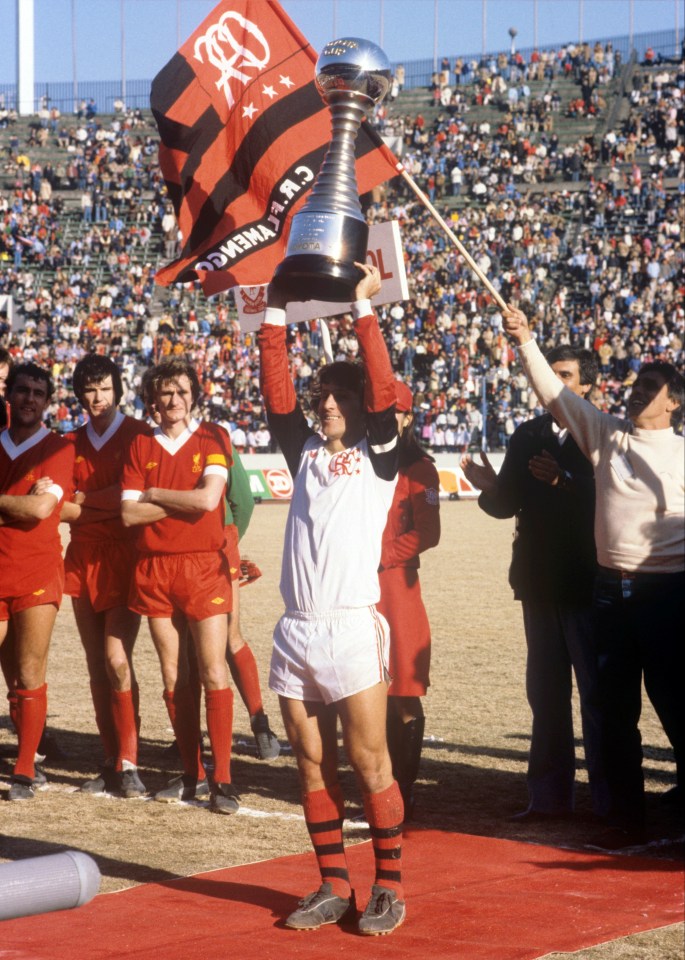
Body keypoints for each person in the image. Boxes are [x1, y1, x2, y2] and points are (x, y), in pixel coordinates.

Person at [259, 263, 406, 936]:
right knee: (310, 763)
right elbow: (275, 396)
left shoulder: (381, 457)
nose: (325, 406)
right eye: (323, 397)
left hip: (349, 627)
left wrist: (359, 305)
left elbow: (380, 389)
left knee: (368, 758)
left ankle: (388, 889)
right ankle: (330, 884)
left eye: (337, 397)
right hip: (296, 630)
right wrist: (274, 314)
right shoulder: (305, 453)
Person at [502, 305, 684, 849]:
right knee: (615, 712)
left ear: (674, 402)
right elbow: (555, 397)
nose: (636, 392)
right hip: (609, 595)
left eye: (650, 387)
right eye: (635, 383)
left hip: (670, 594)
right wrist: (524, 340)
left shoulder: (681, 453)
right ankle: (625, 819)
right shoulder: (606, 436)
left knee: (677, 704)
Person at [462, 346, 609, 823]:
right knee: (545, 696)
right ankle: (548, 798)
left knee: (598, 697)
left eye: (564, 375)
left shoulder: (604, 431)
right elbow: (506, 506)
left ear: (587, 385)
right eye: (550, 373)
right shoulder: (527, 434)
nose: (553, 382)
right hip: (538, 582)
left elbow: (618, 500)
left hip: (588, 583)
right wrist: (489, 487)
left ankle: (609, 801)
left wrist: (566, 481)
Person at [121, 359, 238, 815]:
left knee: (212, 670)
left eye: (182, 392)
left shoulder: (213, 437)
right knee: (175, 677)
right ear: (153, 399)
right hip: (154, 570)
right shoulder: (140, 445)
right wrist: (182, 505)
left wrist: (153, 494)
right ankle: (193, 773)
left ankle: (224, 779)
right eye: (165, 393)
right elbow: (128, 515)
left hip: (202, 568)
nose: (174, 401)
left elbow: (210, 499)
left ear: (194, 395)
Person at [61, 355, 151, 798]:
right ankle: (110, 758)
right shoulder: (69, 441)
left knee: (118, 660)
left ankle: (131, 761)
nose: (97, 397)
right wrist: (103, 502)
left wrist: (87, 500)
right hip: (82, 558)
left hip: (125, 556)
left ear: (118, 387)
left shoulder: (138, 434)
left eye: (103, 387)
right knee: (97, 664)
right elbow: (60, 506)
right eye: (89, 389)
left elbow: (132, 496)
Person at [0, 363, 74, 800]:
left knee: (29, 670)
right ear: (9, 395)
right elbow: (25, 506)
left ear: (48, 401)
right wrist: (17, 503)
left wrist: (22, 505)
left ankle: (26, 768)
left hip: (38, 571)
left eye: (39, 392)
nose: (30, 398)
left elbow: (41, 510)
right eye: (23, 390)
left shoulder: (58, 449)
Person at [377, 380, 440, 819]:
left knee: (402, 691)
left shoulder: (420, 468)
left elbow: (429, 533)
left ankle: (406, 786)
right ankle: (377, 781)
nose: (388, 419)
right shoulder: (359, 461)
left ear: (408, 417)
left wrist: (380, 556)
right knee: (366, 691)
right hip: (356, 588)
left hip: (397, 588)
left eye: (396, 412)